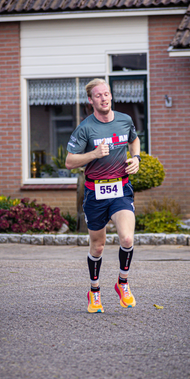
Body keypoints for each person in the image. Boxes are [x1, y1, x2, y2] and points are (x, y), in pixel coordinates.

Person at [65, 78, 141, 313]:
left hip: (120, 189)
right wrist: (93, 153)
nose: (104, 98)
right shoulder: (86, 128)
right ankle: (94, 291)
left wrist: (136, 158)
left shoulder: (124, 120)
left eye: (107, 94)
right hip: (95, 192)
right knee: (97, 247)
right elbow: (69, 162)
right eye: (99, 95)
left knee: (127, 239)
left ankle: (123, 283)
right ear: (91, 100)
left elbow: (134, 139)